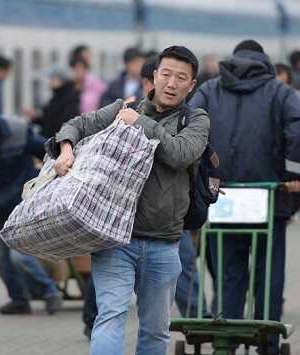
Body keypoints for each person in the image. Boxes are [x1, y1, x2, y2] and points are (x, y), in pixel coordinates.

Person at [52, 45, 209, 355]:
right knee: (110, 317)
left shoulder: (196, 119)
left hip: (164, 242)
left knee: (155, 330)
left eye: (181, 78)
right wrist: (66, 147)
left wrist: (138, 122)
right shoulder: (126, 107)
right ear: (154, 76)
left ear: (191, 86)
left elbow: (180, 154)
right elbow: (77, 124)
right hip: (115, 239)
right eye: (165, 74)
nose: (171, 83)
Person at [189, 39, 300, 355]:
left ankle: (227, 339)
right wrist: (295, 176)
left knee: (229, 272)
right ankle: (267, 341)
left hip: (223, 199)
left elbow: (191, 126)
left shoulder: (209, 90)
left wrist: (200, 174)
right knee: (268, 271)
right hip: (269, 199)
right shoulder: (280, 91)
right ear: (265, 61)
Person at [0, 106, 62, 315]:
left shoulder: (17, 134)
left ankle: (50, 292)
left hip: (19, 207)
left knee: (20, 258)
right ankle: (19, 300)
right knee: (1, 262)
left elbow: (48, 153)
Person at [24, 68, 80, 139]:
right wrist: (35, 116)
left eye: (53, 79)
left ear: (61, 80)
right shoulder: (57, 95)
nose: (51, 81)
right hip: (49, 137)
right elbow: (47, 116)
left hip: (56, 139)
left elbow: (59, 122)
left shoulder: (69, 98)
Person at [69, 46, 106, 113]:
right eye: (75, 68)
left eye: (80, 67)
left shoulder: (96, 84)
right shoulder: (67, 86)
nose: (78, 71)